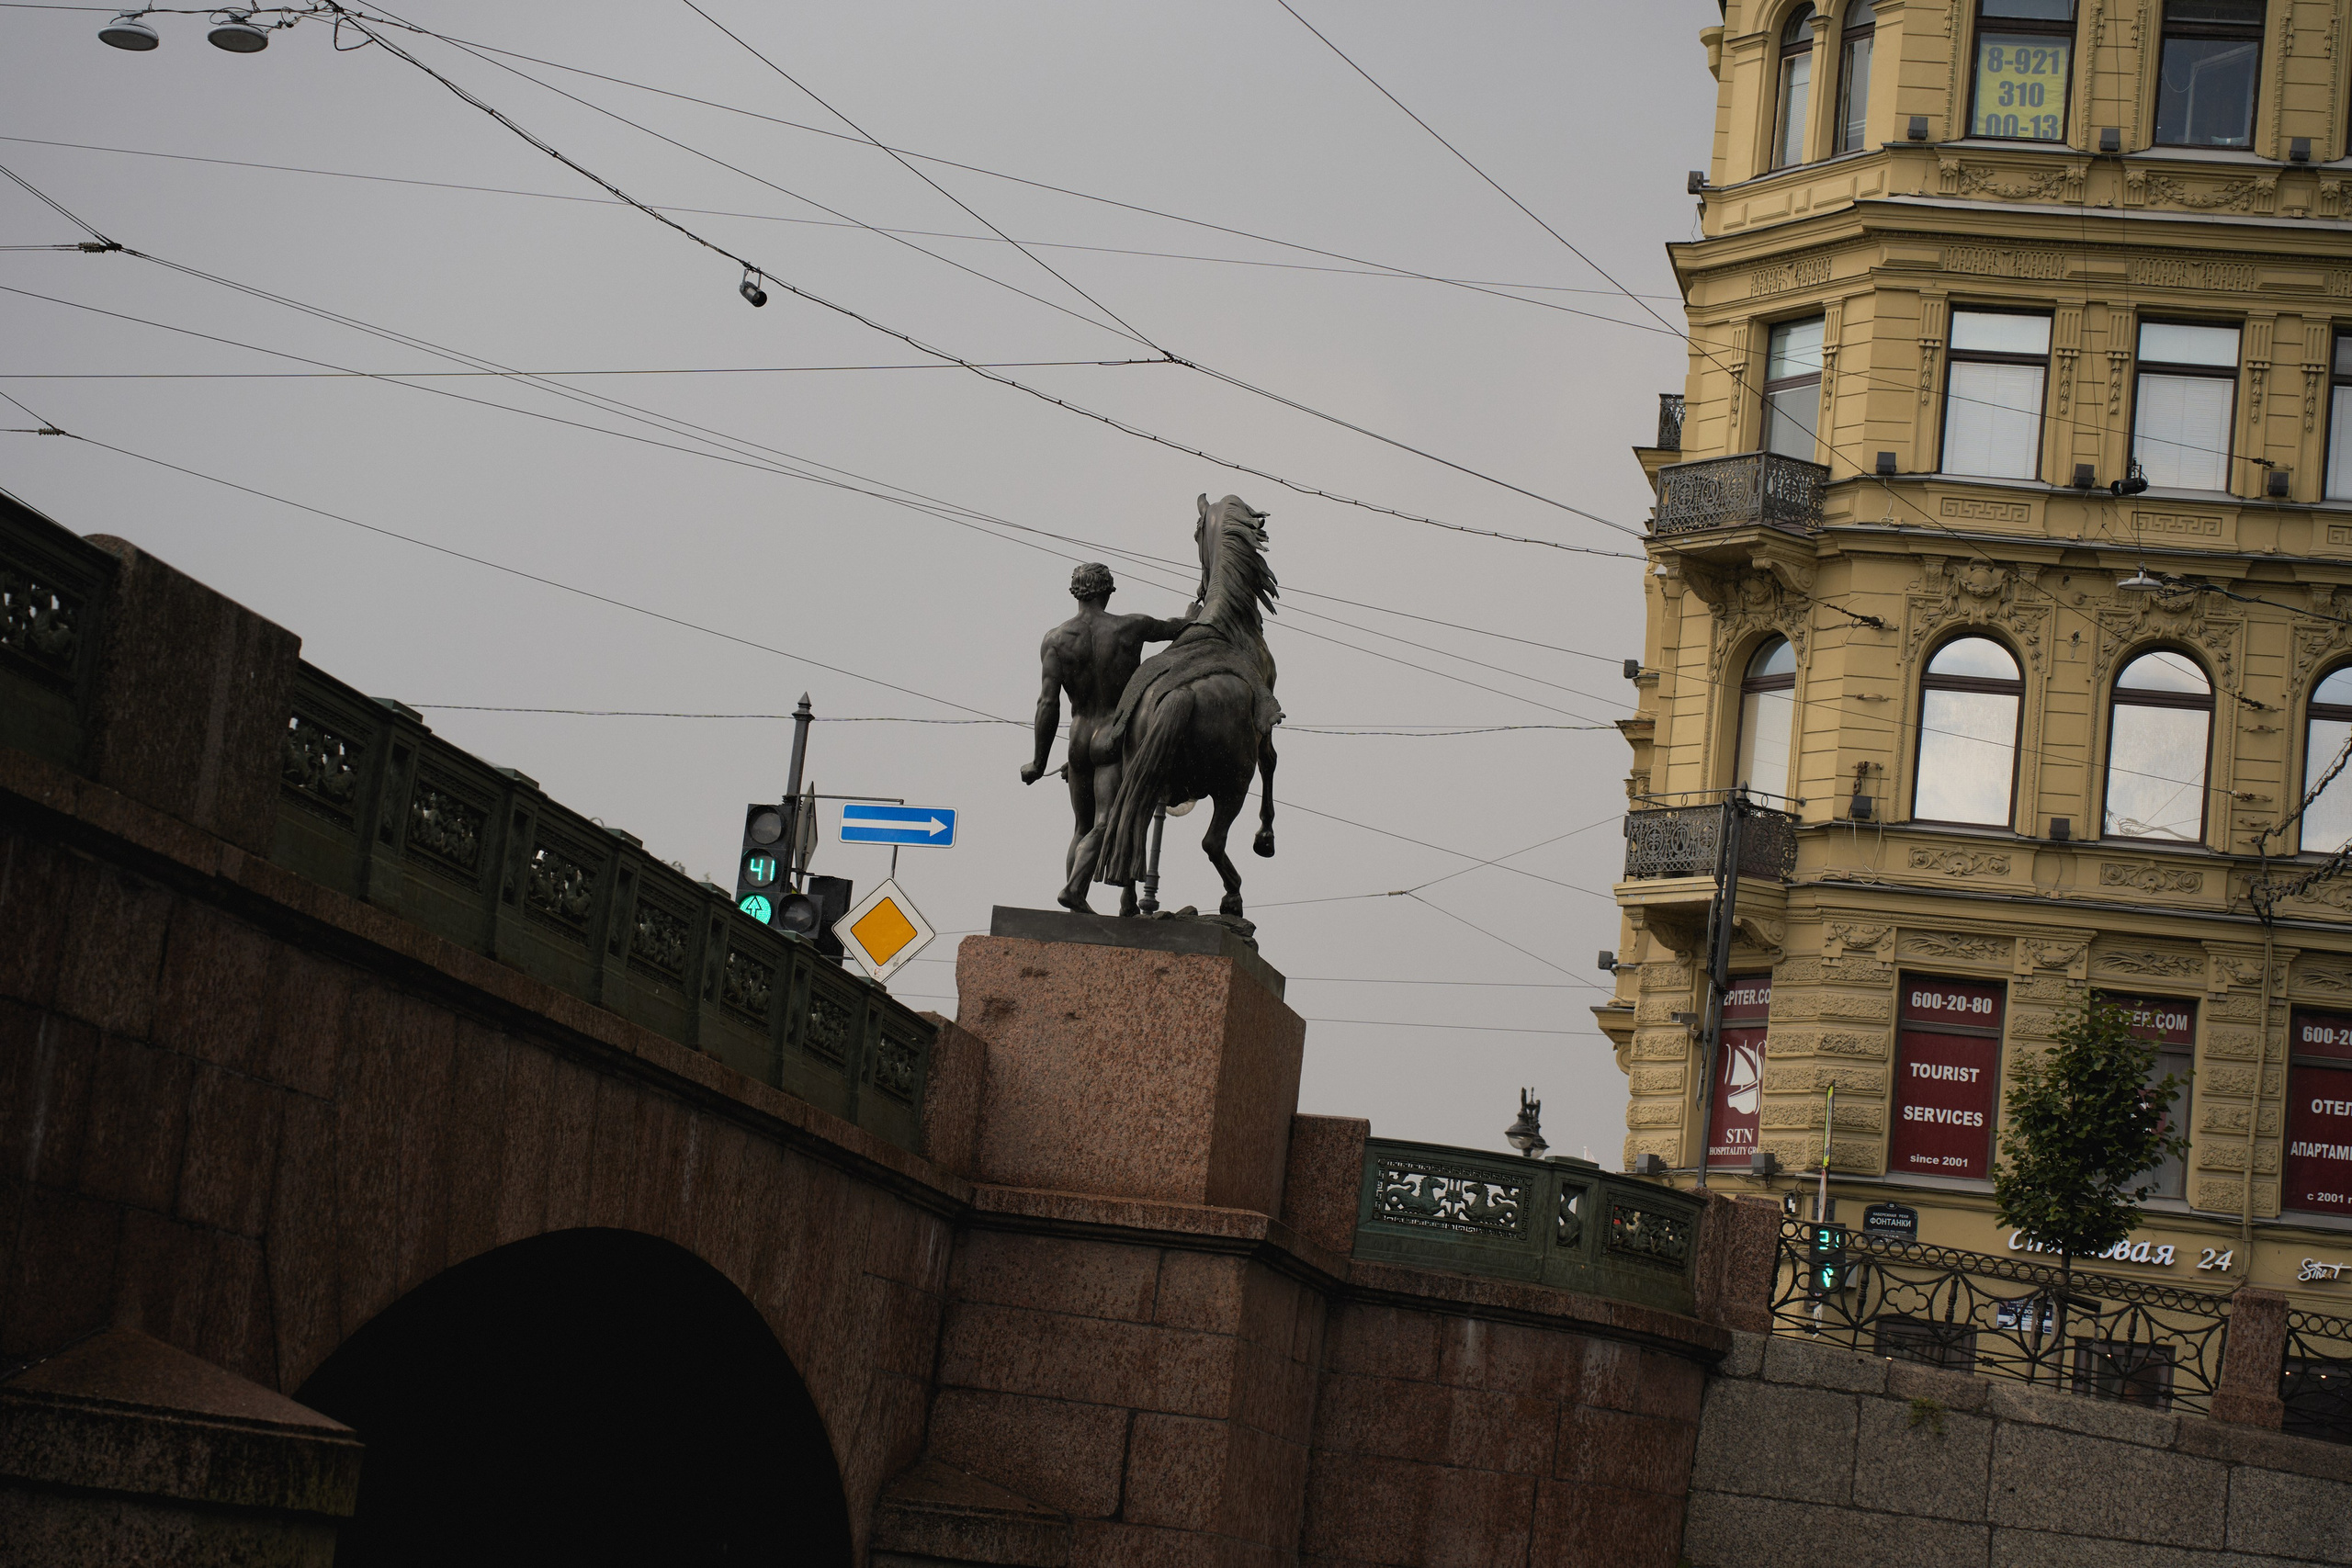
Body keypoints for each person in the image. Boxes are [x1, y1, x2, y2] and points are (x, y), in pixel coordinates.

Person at [1021, 562, 1193, 913]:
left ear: (1075, 593)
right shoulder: (1130, 627)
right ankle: (1073, 890)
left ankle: (1076, 911)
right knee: (1107, 821)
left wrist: (1038, 762)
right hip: (1114, 734)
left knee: (1081, 826)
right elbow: (1177, 629)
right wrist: (1192, 615)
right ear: (1109, 590)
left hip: (1079, 736)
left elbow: (1047, 703)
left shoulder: (1055, 640)